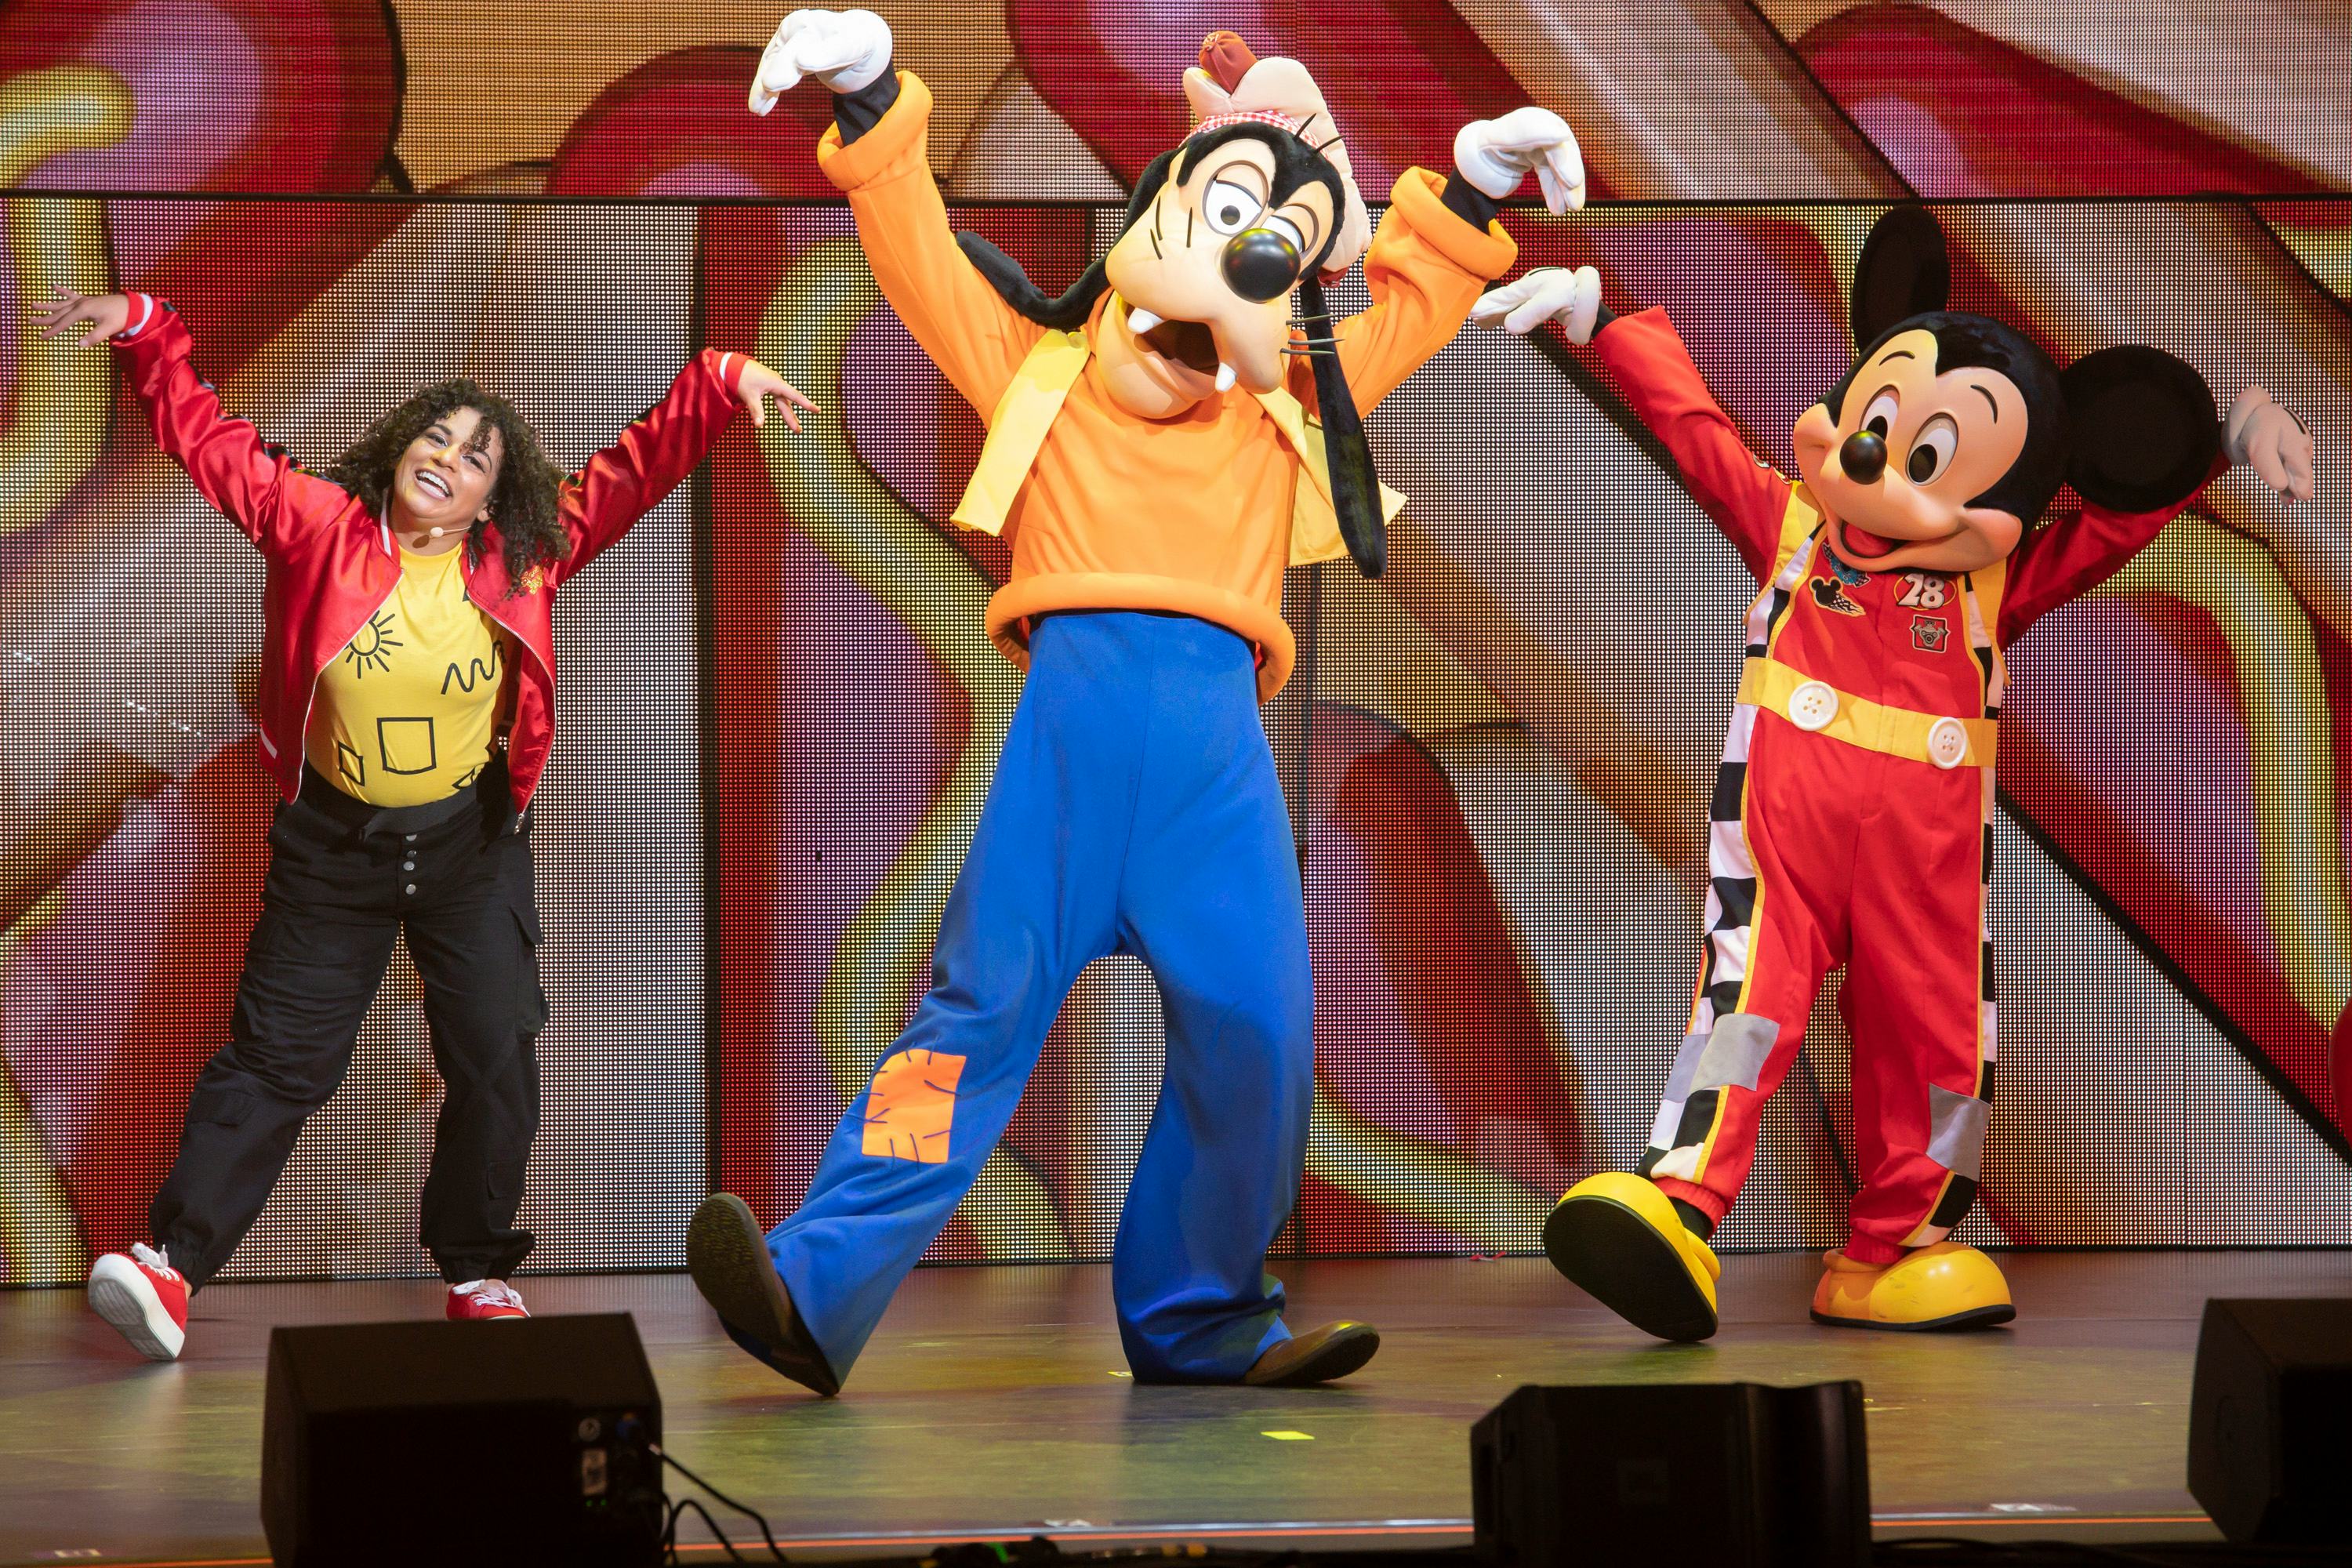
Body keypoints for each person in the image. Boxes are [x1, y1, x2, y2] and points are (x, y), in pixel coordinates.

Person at [681, 11, 1579, 1394]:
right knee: (965, 1030)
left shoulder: (1282, 424)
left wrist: (1472, 188)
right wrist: (868, 90)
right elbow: (917, 252)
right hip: (1070, 753)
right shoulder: (1042, 385)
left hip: (1215, 772)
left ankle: (1204, 1317)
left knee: (1264, 1039)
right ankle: (812, 1284)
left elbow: (1402, 314)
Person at [32, 285, 811, 1359]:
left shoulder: (520, 560)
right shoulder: (317, 527)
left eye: (476, 455)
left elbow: (635, 473)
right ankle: (170, 1271)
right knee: (276, 1060)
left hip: (467, 848)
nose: (447, 455)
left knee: (496, 1047)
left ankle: (478, 1266)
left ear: (496, 497)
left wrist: (720, 383)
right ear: (401, 450)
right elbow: (211, 442)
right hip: (333, 852)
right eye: (434, 436)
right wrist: (148, 331)